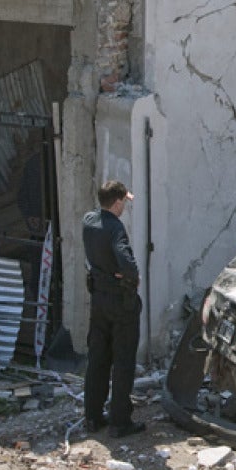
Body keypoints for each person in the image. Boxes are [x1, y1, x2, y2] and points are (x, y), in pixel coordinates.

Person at [82, 180, 144, 438]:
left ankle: (93, 417)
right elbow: (129, 267)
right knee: (123, 361)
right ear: (117, 202)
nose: (125, 208)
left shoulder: (88, 220)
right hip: (120, 303)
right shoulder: (115, 228)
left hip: (99, 300)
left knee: (97, 358)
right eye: (124, 203)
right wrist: (130, 278)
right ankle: (120, 422)